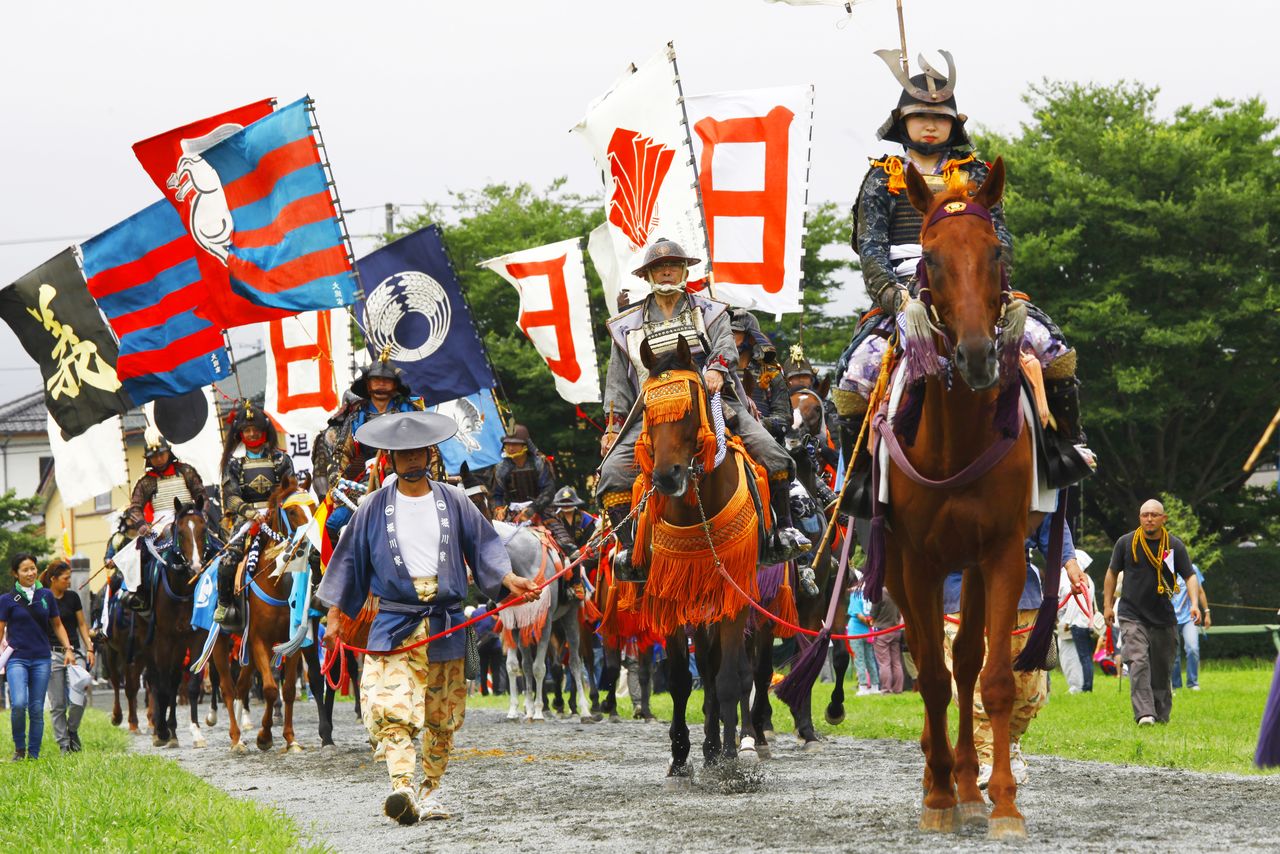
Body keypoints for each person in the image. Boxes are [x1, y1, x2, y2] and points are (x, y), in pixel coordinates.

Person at [833, 51, 1092, 504]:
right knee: (857, 371)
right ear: (902, 123)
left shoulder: (976, 174)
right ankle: (861, 479)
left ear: (954, 124)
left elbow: (1002, 236)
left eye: (940, 117)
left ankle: (1064, 446)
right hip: (909, 289)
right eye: (920, 117)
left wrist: (991, 281)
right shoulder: (881, 179)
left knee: (1051, 347)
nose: (931, 125)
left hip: (977, 283)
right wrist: (897, 298)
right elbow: (871, 249)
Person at [317, 411, 540, 824]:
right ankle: (402, 788)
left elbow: (485, 547)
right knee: (391, 708)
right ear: (391, 458)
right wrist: (334, 617)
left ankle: (431, 790)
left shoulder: (454, 500)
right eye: (403, 454)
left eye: (418, 451)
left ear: (429, 452)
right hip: (394, 623)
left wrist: (509, 579)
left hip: (445, 622)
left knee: (441, 716)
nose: (411, 460)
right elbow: (348, 564)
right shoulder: (371, 507)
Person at [596, 238, 812, 570]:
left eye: (673, 266)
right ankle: (630, 551)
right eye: (659, 267)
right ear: (647, 275)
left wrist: (716, 369)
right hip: (652, 411)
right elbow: (617, 383)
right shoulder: (626, 325)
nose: (667, 272)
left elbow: (725, 346)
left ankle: (781, 532)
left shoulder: (710, 311)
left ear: (684, 270)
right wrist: (612, 428)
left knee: (774, 455)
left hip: (710, 400)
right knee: (610, 474)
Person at [942, 513, 1088, 785]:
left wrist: (1070, 563)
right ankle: (985, 756)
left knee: (1028, 684)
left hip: (1021, 588)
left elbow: (1049, 514)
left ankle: (1010, 746)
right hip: (959, 589)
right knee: (974, 682)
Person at [1104, 499, 1201, 725]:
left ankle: (1160, 715)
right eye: (1145, 514)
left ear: (1163, 518)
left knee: (1161, 669)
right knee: (1137, 661)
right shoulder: (1125, 543)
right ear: (1140, 517)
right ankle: (1144, 714)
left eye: (1154, 515)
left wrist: (1194, 604)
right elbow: (1111, 573)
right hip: (1131, 614)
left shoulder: (1174, 546)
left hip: (1163, 617)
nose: (1149, 519)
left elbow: (1190, 576)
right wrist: (1108, 605)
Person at [321, 358, 426, 543]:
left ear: (395, 384)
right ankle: (344, 570)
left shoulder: (409, 410)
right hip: (369, 478)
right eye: (376, 379)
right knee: (334, 523)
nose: (381, 383)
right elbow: (342, 452)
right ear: (368, 384)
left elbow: (429, 447)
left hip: (409, 472)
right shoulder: (357, 415)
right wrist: (335, 475)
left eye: (386, 380)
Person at [213, 401, 295, 627]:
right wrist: (250, 512)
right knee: (229, 560)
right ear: (240, 433)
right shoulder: (234, 462)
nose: (251, 434)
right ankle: (226, 605)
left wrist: (274, 508)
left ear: (264, 430)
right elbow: (230, 496)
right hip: (247, 518)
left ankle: (316, 598)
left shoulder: (280, 458)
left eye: (255, 430)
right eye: (247, 430)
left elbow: (290, 487)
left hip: (277, 515)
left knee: (305, 551)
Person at [0, 553, 76, 760]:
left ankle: (33, 754)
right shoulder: (6, 600)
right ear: (15, 574)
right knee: (18, 704)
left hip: (42, 658)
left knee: (36, 707)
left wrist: (68, 648)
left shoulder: (46, 596)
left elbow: (57, 625)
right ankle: (19, 749)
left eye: (33, 568)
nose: (30, 573)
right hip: (17, 658)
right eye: (25, 570)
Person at [123, 430, 206, 610]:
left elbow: (201, 495)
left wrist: (202, 515)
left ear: (168, 452)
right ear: (148, 459)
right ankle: (142, 593)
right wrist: (142, 524)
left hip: (190, 516)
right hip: (161, 523)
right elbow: (135, 506)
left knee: (218, 545)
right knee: (141, 553)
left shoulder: (186, 471)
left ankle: (225, 592)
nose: (159, 459)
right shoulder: (145, 481)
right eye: (154, 456)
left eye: (161, 454)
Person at [41, 559, 94, 753]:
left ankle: (72, 731)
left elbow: (82, 624)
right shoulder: (43, 599)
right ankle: (64, 745)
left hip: (75, 652)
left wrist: (90, 648)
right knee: (58, 704)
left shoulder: (72, 597)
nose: (69, 582)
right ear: (53, 579)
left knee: (80, 694)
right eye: (66, 578)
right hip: (51, 654)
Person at [730, 309, 790, 442]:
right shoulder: (715, 371)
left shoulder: (771, 373)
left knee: (782, 462)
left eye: (734, 332)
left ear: (750, 338)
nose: (728, 336)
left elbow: (784, 420)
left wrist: (759, 423)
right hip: (722, 437)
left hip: (760, 439)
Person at [491, 425, 556, 520]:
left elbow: (548, 491)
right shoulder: (500, 468)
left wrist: (532, 509)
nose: (510, 448)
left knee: (562, 535)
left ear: (525, 445)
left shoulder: (539, 463)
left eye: (515, 444)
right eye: (507, 444)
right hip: (511, 514)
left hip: (541, 511)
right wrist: (498, 508)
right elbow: (496, 495)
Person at [1057, 568, 1098, 693]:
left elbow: (1074, 605)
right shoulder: (1089, 580)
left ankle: (1086, 686)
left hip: (1077, 623)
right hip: (1087, 622)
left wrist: (1067, 622)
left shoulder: (1078, 584)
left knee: (1083, 657)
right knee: (1087, 656)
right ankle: (1087, 685)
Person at [1172, 564, 1210, 690]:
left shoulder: (1192, 568)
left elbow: (1200, 591)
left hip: (1189, 617)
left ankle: (1193, 683)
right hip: (1170, 619)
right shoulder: (1164, 568)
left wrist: (1207, 612)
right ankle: (1175, 685)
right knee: (1173, 654)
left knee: (1193, 648)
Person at [846, 570, 880, 695]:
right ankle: (875, 686)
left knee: (859, 659)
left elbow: (857, 613)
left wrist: (867, 622)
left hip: (856, 631)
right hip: (868, 632)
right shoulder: (870, 593)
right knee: (870, 658)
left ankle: (864, 686)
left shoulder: (856, 593)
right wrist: (870, 623)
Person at [870, 590, 904, 694]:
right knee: (896, 662)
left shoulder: (879, 593)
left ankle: (886, 689)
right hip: (895, 630)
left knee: (884, 662)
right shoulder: (897, 593)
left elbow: (873, 613)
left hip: (881, 631)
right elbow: (899, 614)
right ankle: (898, 688)